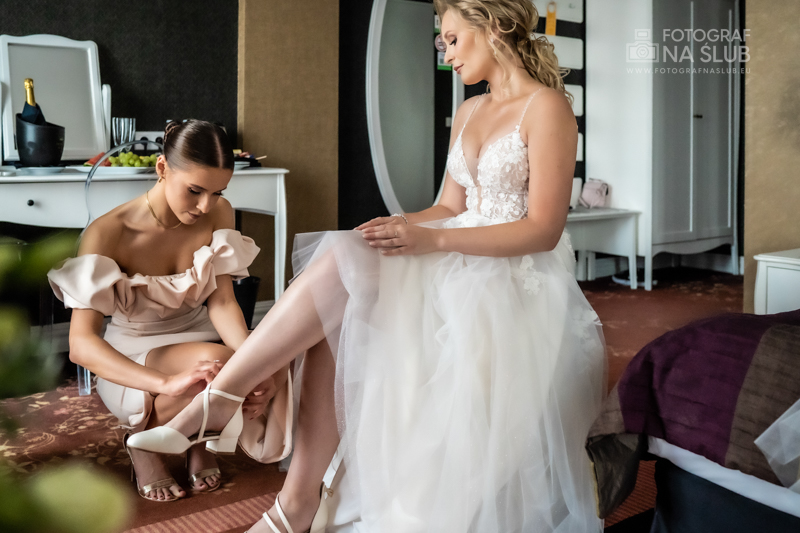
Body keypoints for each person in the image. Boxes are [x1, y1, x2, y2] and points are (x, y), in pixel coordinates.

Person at [128, 0, 607, 530]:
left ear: (493, 26)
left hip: (511, 279)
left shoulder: (547, 108)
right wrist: (395, 226)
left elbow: (543, 229)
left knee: (345, 281)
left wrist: (428, 239)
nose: (446, 54)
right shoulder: (471, 110)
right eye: (442, 42)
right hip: (450, 255)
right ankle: (291, 494)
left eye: (451, 39)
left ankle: (235, 421)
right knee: (346, 267)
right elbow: (449, 207)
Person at [47, 120, 293, 502]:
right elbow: (80, 345)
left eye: (217, 192)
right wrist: (165, 384)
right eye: (194, 190)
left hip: (199, 335)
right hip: (135, 350)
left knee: (266, 359)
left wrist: (257, 366)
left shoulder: (219, 213)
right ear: (162, 168)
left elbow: (222, 302)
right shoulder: (108, 232)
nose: (205, 206)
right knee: (221, 368)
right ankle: (143, 441)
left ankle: (198, 441)